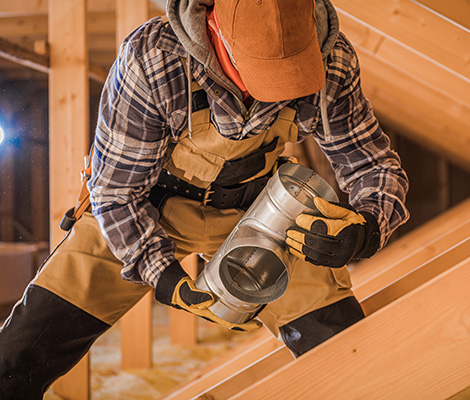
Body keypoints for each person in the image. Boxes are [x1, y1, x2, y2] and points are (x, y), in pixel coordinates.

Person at [0, 0, 409, 397]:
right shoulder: (154, 59)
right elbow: (116, 191)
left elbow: (374, 167)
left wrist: (367, 229)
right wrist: (160, 273)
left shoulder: (332, 60)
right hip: (144, 205)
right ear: (214, 29)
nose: (267, 95)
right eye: (261, 74)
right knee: (18, 357)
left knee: (344, 351)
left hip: (260, 207)